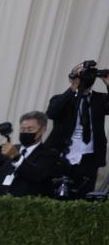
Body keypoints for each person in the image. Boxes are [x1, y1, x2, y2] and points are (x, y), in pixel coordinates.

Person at [45, 61, 108, 195]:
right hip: (62, 155)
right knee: (53, 195)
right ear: (71, 77)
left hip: (88, 157)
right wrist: (73, 88)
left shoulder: (100, 99)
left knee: (83, 196)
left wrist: (108, 82)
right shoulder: (60, 98)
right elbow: (52, 113)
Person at [0, 111, 65, 197]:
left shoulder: (49, 154)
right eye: (22, 129)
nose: (25, 132)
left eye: (30, 129)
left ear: (42, 130)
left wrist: (16, 157)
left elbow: (38, 175)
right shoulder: (7, 149)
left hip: (21, 207)